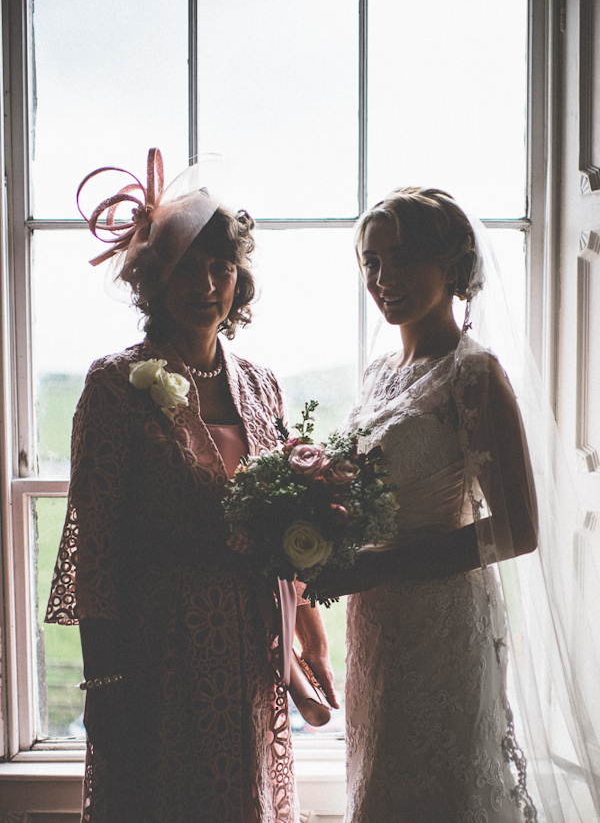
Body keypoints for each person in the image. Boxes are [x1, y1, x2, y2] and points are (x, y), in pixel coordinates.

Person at [45, 149, 337, 823]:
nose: (206, 283)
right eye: (186, 267)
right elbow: (96, 550)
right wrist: (104, 682)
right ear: (155, 278)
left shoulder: (262, 385)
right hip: (158, 645)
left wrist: (310, 633)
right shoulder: (116, 386)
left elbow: (289, 526)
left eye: (220, 265)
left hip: (250, 647)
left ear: (239, 278)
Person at [313, 187, 541, 822]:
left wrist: (380, 565)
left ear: (453, 265)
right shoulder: (378, 373)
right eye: (372, 262)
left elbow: (519, 531)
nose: (384, 279)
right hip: (376, 623)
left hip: (440, 620)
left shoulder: (475, 375)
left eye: (404, 259)